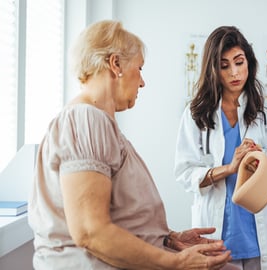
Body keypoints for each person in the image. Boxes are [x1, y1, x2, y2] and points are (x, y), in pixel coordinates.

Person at [28, 20, 232, 270]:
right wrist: (176, 262)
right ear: (115, 64)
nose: (143, 82)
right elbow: (90, 232)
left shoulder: (99, 123)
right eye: (140, 68)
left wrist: (167, 238)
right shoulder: (86, 119)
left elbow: (119, 215)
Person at [175, 26, 267, 270]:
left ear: (249, 63)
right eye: (224, 66)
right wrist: (229, 168)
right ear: (213, 70)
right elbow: (184, 173)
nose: (234, 72)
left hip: (261, 236)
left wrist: (262, 166)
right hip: (218, 234)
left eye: (239, 62)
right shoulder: (196, 114)